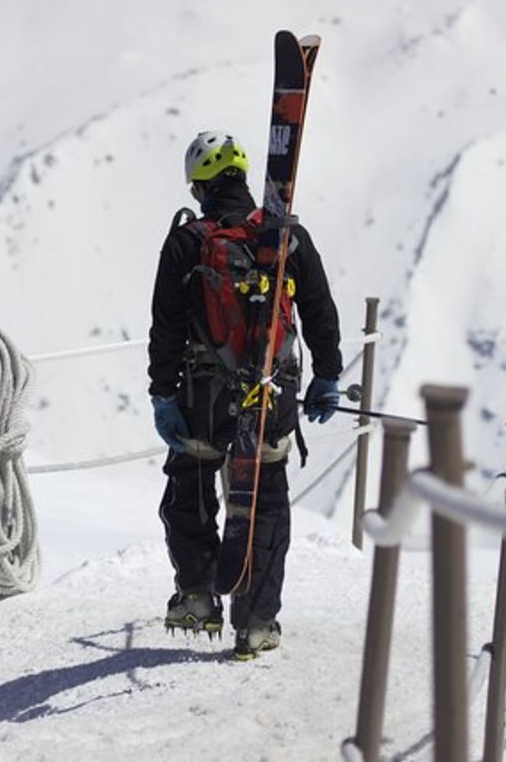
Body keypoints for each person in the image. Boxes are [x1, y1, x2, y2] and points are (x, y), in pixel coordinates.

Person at [148, 130, 343, 660]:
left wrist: (162, 394)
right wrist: (327, 377)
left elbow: (165, 328)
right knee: (266, 503)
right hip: (270, 393)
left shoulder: (189, 241)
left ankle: (196, 597)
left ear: (200, 186)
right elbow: (320, 312)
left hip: (201, 394)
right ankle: (256, 623)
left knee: (189, 490)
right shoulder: (285, 236)